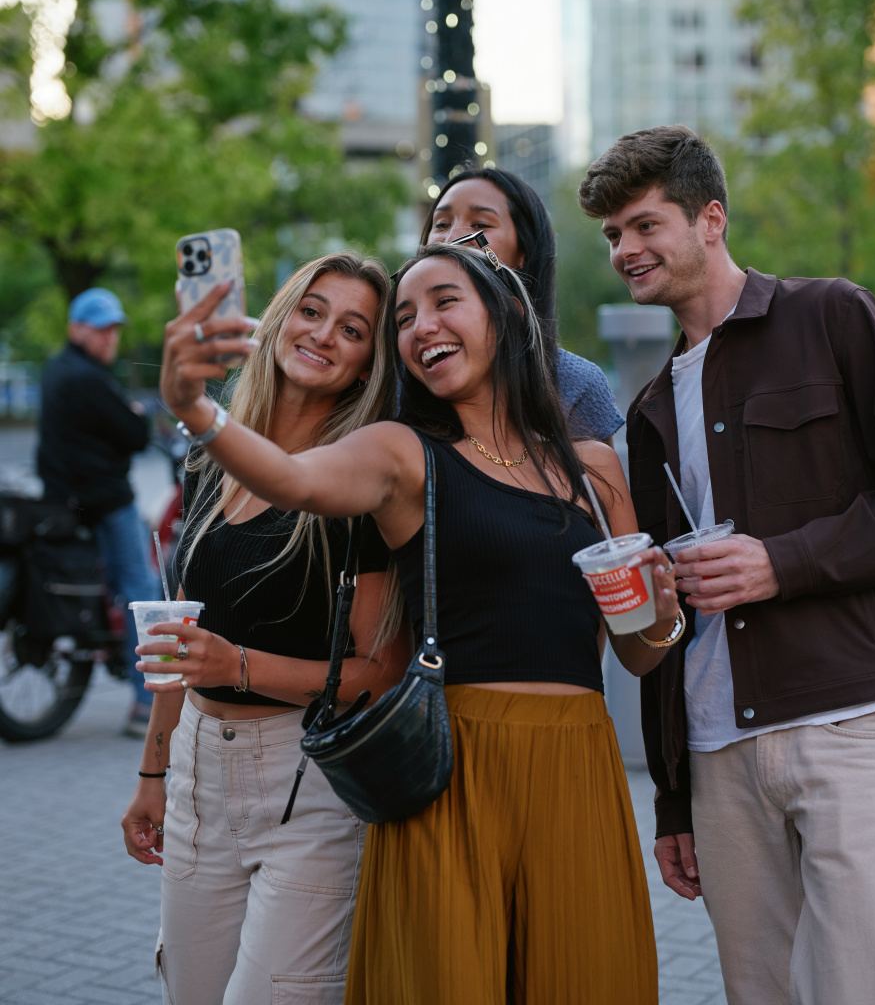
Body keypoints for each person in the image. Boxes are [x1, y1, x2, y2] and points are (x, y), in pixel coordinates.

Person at [157, 239, 683, 1004]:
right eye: (402, 317)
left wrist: (662, 618)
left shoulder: (594, 468)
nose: (420, 325)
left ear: (503, 318)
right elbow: (294, 477)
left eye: (443, 301)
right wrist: (197, 410)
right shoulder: (404, 455)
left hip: (577, 768)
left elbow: (636, 654)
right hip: (454, 775)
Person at [578, 124, 875, 1005]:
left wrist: (781, 562)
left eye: (644, 226)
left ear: (709, 218)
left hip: (851, 722)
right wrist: (674, 799)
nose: (625, 251)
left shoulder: (831, 315)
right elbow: (662, 623)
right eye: (612, 236)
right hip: (717, 753)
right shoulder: (645, 411)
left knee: (863, 986)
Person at [120, 253, 410, 1005]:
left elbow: (379, 672)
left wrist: (237, 664)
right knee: (189, 992)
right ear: (280, 318)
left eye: (353, 329)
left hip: (305, 783)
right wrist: (154, 773)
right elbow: (182, 639)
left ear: (364, 365)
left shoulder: (358, 477)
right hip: (195, 777)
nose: (324, 334)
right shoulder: (211, 455)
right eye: (311, 311)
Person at [422, 166, 624, 442]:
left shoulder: (575, 383)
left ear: (523, 252)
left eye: (480, 225)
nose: (452, 237)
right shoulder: (395, 374)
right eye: (441, 224)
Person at [37, 286, 158, 735]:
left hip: (64, 502)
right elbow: (134, 433)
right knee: (142, 593)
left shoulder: (57, 371)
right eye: (101, 329)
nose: (110, 339)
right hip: (106, 502)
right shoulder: (89, 379)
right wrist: (134, 414)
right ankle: (146, 705)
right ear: (76, 329)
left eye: (114, 330)